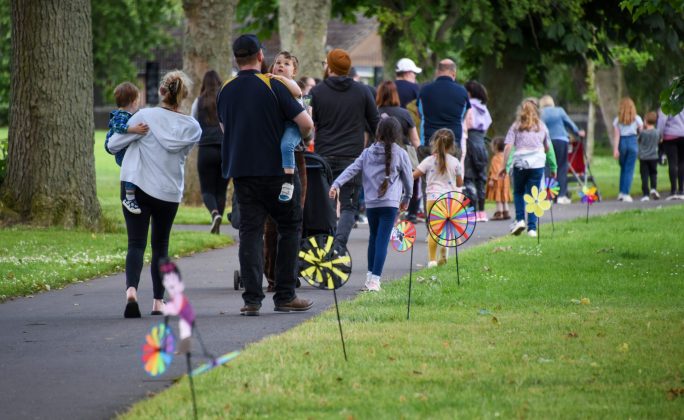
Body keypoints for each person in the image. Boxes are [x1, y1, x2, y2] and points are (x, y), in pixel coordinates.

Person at [217, 34, 314, 316]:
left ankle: (252, 299)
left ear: (236, 58)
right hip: (277, 171)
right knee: (289, 227)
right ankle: (285, 294)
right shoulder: (273, 85)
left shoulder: (226, 89)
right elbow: (305, 123)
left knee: (250, 233)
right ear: (261, 56)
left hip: (242, 171)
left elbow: (225, 129)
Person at [107, 70, 201, 318]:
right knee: (161, 246)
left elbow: (112, 144)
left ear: (161, 91)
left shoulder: (144, 116)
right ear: (184, 96)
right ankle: (158, 301)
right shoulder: (192, 128)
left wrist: (133, 135)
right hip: (168, 191)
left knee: (136, 243)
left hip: (136, 186)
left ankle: (131, 293)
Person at [329, 117, 413, 292]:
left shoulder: (367, 153)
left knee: (373, 239)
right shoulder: (401, 153)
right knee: (382, 241)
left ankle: (369, 278)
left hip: (372, 204)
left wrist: (336, 184)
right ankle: (375, 280)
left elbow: (352, 169)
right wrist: (407, 198)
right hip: (390, 205)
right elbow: (408, 179)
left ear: (378, 133)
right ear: (397, 134)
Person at [310, 48, 380, 249]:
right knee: (349, 206)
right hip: (353, 158)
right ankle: (338, 247)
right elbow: (376, 123)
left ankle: (327, 246)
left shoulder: (317, 92)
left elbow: (308, 124)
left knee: (328, 205)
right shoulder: (362, 91)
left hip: (324, 157)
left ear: (330, 67)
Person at [500, 98, 551, 238]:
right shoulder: (542, 126)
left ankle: (520, 220)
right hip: (537, 164)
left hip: (520, 163)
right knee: (533, 195)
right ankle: (532, 229)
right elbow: (547, 147)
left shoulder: (516, 126)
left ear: (521, 111)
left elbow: (508, 146)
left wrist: (504, 166)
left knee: (518, 192)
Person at [413, 128, 463, 267]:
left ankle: (432, 261)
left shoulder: (429, 160)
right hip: (448, 200)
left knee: (434, 229)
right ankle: (444, 250)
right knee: (445, 227)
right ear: (452, 145)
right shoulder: (455, 162)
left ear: (434, 143)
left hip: (432, 199)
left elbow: (414, 175)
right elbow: (460, 183)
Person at [377, 81, 422, 222]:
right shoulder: (404, 113)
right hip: (402, 153)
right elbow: (415, 140)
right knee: (408, 182)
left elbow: (367, 137)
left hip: (379, 155)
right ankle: (411, 213)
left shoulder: (374, 113)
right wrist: (420, 157)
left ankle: (382, 215)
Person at [191, 70, 228, 233]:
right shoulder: (225, 101)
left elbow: (193, 124)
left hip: (205, 149)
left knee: (207, 189)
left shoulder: (198, 102)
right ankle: (217, 223)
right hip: (224, 150)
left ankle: (214, 214)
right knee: (221, 190)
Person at [104, 82, 149, 215]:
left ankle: (130, 195)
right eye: (138, 100)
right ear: (133, 101)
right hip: (118, 151)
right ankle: (129, 198)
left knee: (134, 167)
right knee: (132, 169)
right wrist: (134, 129)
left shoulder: (127, 115)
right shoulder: (121, 115)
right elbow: (117, 127)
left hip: (121, 149)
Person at [267, 51, 306, 202]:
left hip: (294, 125)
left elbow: (297, 92)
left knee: (287, 145)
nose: (281, 65)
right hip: (280, 123)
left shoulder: (290, 83)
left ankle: (288, 181)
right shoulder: (272, 82)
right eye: (278, 63)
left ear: (294, 71)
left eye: (286, 64)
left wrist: (279, 77)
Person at [417, 59, 471, 165]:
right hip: (453, 144)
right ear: (454, 73)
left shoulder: (424, 90)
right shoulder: (462, 92)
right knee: (450, 180)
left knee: (428, 180)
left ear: (437, 72)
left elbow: (420, 113)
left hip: (429, 143)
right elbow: (463, 116)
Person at [539, 95, 585, 204]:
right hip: (561, 140)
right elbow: (569, 123)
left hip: (547, 142)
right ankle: (561, 196)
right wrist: (577, 132)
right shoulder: (559, 110)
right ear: (552, 102)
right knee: (562, 167)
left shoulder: (540, 113)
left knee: (548, 168)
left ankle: (548, 196)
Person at [463, 80, 492, 222]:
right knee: (481, 178)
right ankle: (482, 212)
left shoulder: (468, 107)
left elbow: (465, 126)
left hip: (469, 142)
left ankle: (471, 212)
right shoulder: (483, 108)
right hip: (481, 143)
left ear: (468, 92)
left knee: (468, 177)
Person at [613, 97, 643, 202]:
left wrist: (616, 149)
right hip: (632, 141)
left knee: (623, 168)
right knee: (629, 169)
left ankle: (621, 192)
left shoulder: (617, 120)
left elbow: (616, 135)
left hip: (622, 142)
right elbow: (641, 131)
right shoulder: (637, 119)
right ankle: (625, 193)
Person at [656, 107, 684, 199]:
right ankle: (681, 190)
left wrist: (659, 135)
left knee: (672, 163)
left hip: (670, 136)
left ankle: (673, 190)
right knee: (682, 163)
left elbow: (662, 121)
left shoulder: (667, 102)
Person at [637, 111, 661, 201]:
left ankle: (645, 194)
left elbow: (638, 140)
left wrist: (641, 130)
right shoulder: (657, 132)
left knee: (644, 175)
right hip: (654, 156)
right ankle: (653, 188)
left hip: (643, 157)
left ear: (645, 121)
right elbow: (660, 140)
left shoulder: (643, 133)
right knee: (653, 173)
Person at [486, 136, 511, 220]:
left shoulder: (495, 158)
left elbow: (495, 170)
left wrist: (492, 179)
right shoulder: (505, 156)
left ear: (496, 147)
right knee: (504, 195)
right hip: (506, 179)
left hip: (498, 180)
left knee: (498, 197)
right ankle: (506, 211)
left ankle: (499, 212)